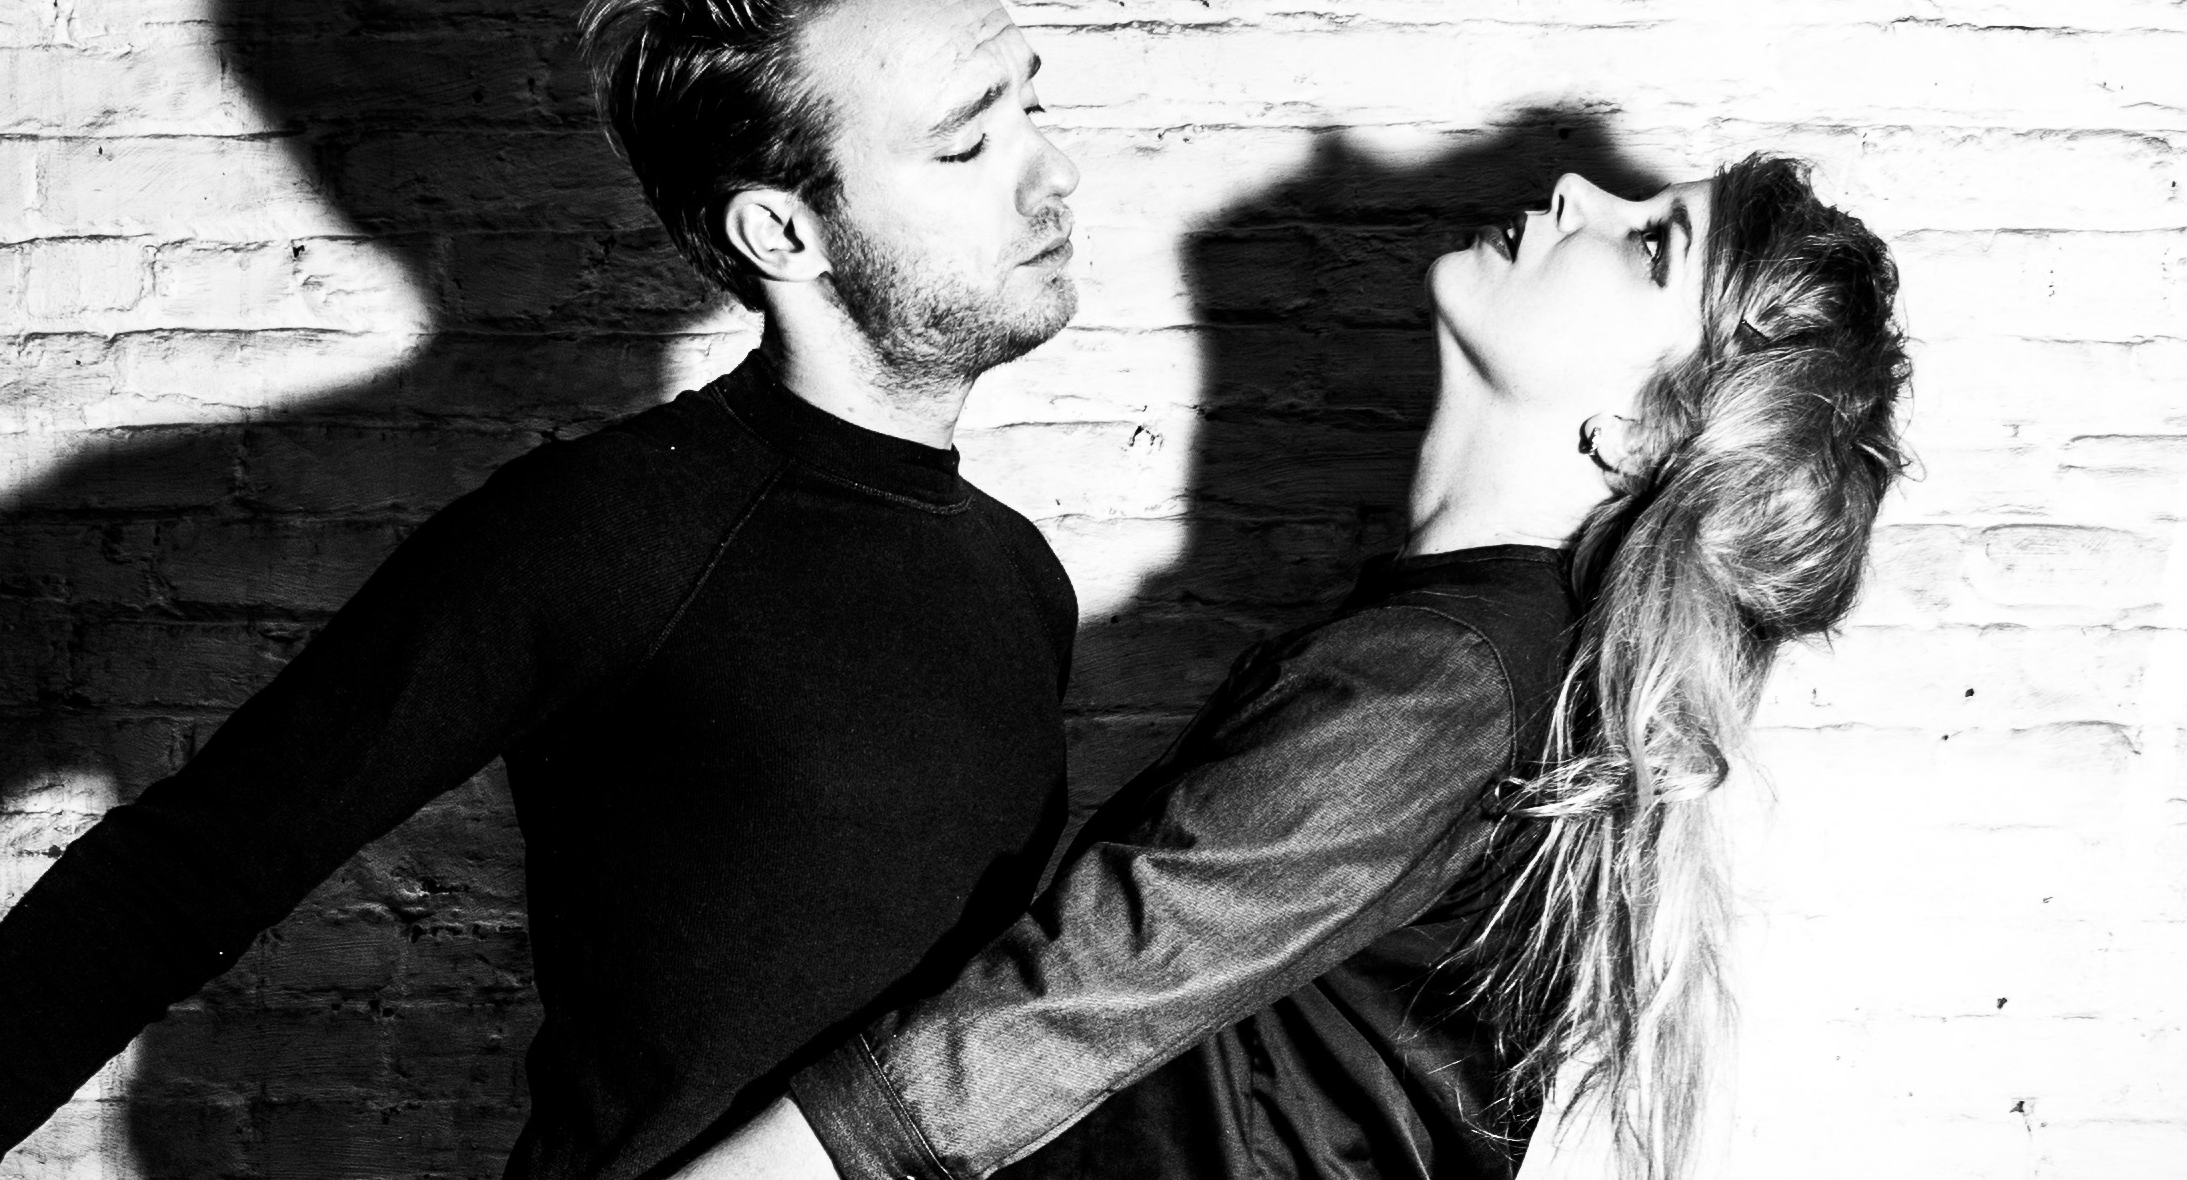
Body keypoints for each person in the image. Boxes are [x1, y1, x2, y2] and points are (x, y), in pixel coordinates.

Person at [0, 0, 1084, 1180]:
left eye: (1030, 104)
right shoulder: (610, 532)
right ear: (782, 229)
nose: (1051, 174)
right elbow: (185, 873)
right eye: (965, 145)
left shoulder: (1018, 573)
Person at [678, 155, 1911, 1180]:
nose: (1576, 189)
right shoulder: (1483, 649)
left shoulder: (1449, 675)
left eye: (1647, 245)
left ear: (1637, 430)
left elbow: (1068, 996)